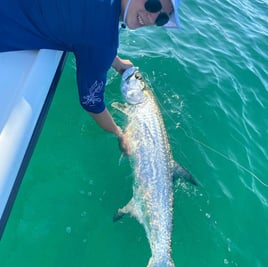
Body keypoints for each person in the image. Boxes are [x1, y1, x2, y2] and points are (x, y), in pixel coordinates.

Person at [0, 0, 180, 155]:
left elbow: (85, 25)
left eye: (161, 18)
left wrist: (115, 61)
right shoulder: (103, 43)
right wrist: (120, 134)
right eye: (153, 4)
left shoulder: (102, 38)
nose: (152, 17)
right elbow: (91, 103)